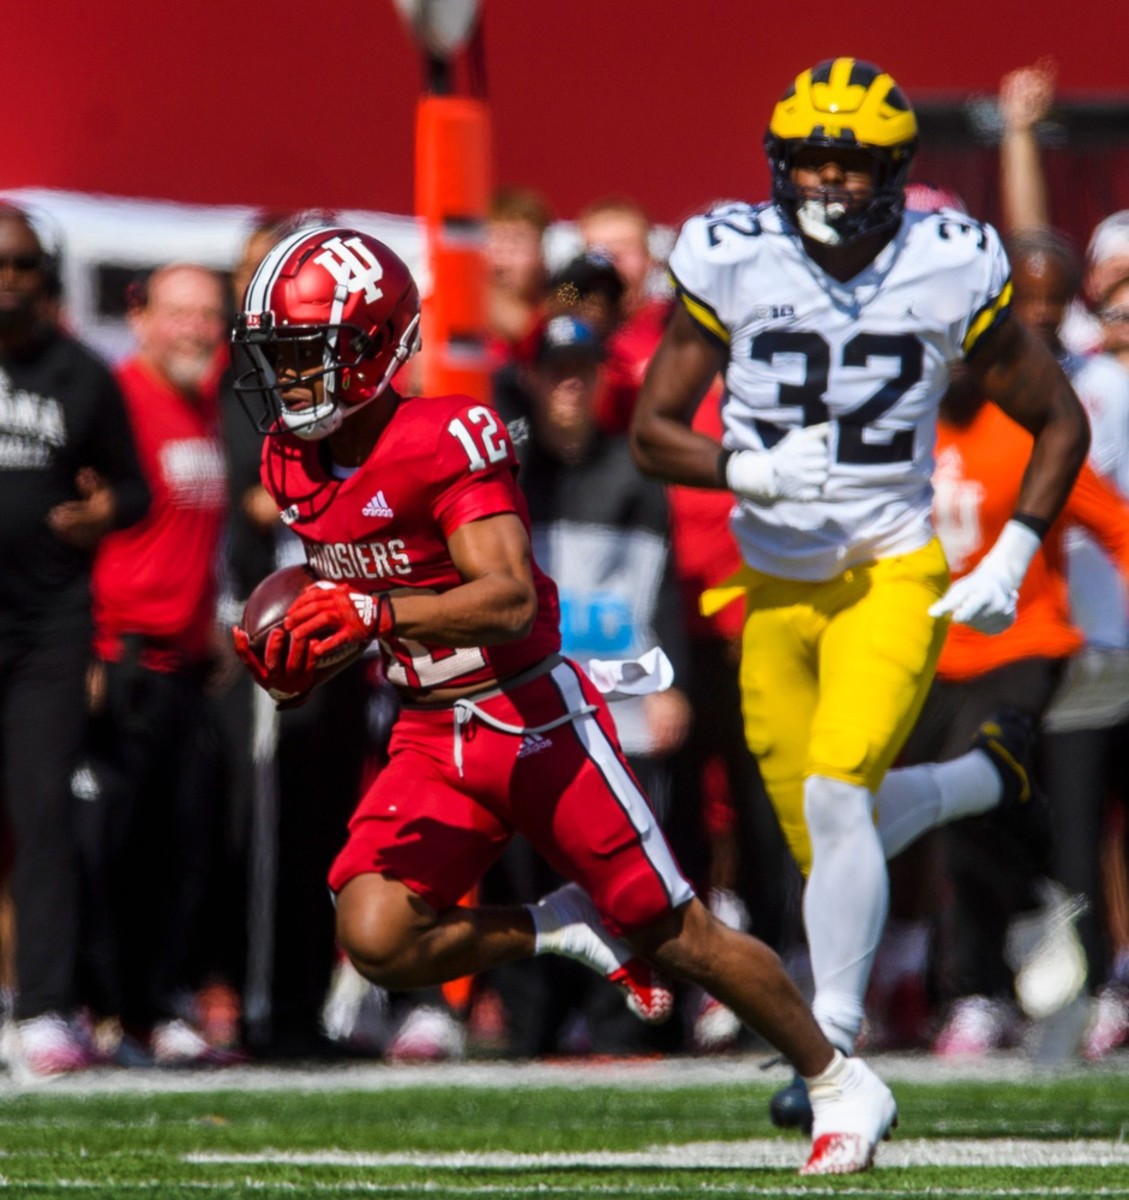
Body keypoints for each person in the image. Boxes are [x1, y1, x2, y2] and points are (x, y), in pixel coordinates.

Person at [230, 223, 898, 1176]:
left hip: (527, 718)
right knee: (374, 934)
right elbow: (356, 605)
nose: (288, 379)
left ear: (375, 348)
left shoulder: (443, 435)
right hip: (428, 730)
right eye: (278, 358)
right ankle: (559, 924)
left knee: (675, 932)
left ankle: (838, 1080)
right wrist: (303, 655)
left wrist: (372, 614)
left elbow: (503, 600)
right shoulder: (289, 463)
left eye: (306, 355)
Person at [630, 58, 1090, 1123]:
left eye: (853, 165)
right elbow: (654, 430)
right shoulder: (730, 255)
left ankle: (833, 1048)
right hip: (773, 590)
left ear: (893, 172)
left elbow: (1058, 419)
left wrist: (1011, 554)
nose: (831, 184)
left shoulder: (947, 262)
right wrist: (744, 470)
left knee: (839, 804)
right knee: (827, 839)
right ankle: (969, 784)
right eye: (812, 162)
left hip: (890, 569)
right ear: (778, 167)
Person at [0, 203, 150, 1079]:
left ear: (46, 277)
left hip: (48, 630)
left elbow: (135, 489)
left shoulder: (83, 374)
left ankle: (48, 1009)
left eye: (22, 265)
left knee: (45, 814)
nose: (9, 278)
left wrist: (106, 512)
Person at [85, 263, 232, 1065]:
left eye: (207, 315)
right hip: (123, 653)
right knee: (111, 845)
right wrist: (89, 648)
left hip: (187, 661)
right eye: (179, 313)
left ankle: (161, 1003)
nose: (194, 329)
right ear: (139, 315)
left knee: (185, 846)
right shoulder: (117, 400)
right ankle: (104, 1007)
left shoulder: (206, 404)